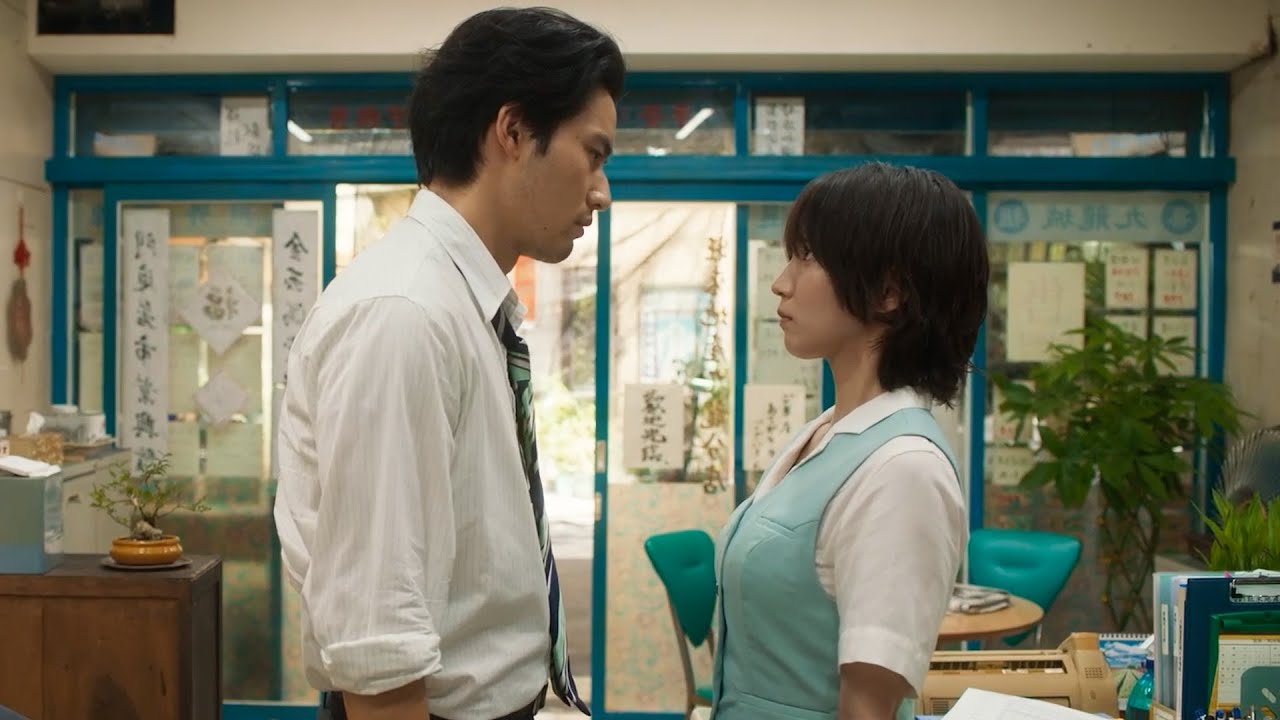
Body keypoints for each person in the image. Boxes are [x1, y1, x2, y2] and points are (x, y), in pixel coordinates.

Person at [272, 8, 624, 720]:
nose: (601, 191)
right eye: (593, 154)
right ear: (513, 131)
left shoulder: (463, 302)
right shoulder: (405, 311)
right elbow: (378, 642)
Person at [711, 163, 989, 720]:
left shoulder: (904, 469)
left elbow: (867, 708)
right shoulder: (827, 432)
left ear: (888, 292)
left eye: (808, 256)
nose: (781, 281)